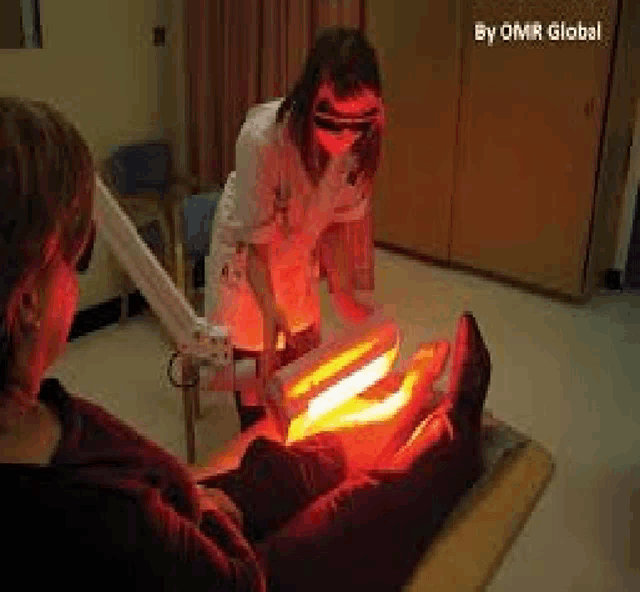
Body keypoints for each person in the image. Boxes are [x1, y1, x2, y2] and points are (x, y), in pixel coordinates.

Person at [0, 97, 491, 591]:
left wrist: (194, 497)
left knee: (284, 464)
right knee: (367, 505)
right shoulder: (105, 518)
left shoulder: (37, 412)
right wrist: (211, 516)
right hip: (230, 564)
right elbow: (239, 581)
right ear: (26, 303)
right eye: (77, 261)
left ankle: (400, 400)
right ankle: (455, 430)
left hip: (181, 506)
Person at [207, 28, 386, 423]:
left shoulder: (360, 148)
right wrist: (271, 316)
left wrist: (342, 291)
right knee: (258, 386)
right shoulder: (262, 140)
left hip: (296, 258)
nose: (344, 138)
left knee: (306, 376)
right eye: (332, 121)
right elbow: (258, 248)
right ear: (308, 103)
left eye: (357, 123)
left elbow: (337, 224)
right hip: (247, 264)